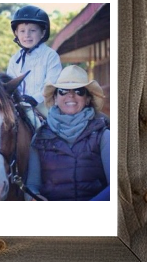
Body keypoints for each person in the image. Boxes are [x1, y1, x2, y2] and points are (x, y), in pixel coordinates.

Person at [25, 65, 110, 201]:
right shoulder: (40, 138)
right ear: (55, 99)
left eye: (79, 91)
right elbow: (32, 186)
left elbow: (116, 185)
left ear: (87, 99)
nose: (71, 95)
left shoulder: (104, 136)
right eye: (63, 91)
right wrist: (34, 199)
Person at [7, 5, 62, 117]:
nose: (27, 35)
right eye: (22, 31)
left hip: (44, 106)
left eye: (32, 30)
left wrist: (34, 99)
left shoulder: (50, 55)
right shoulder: (14, 60)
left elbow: (51, 84)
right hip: (19, 106)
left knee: (54, 129)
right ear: (16, 33)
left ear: (42, 33)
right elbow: (10, 84)